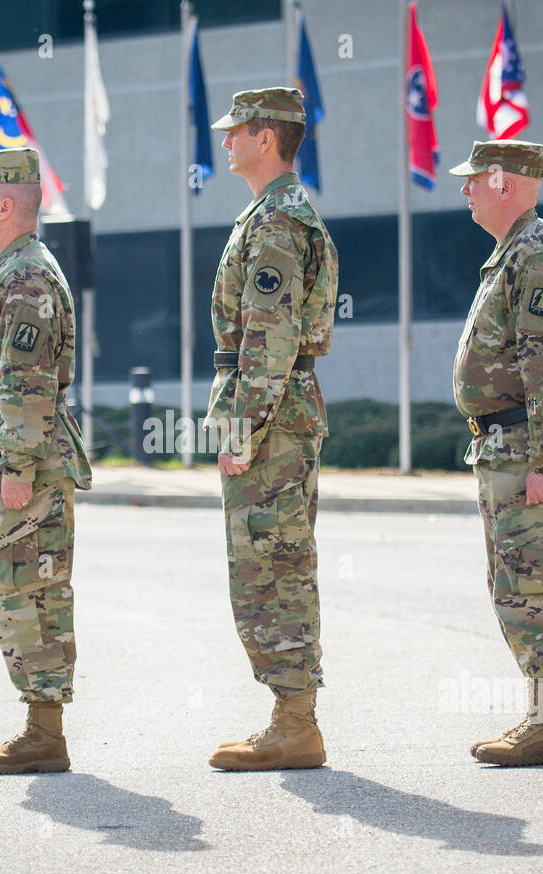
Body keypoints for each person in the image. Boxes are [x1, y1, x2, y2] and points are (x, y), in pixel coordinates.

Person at [203, 88, 338, 771]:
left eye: (236, 131)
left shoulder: (280, 221)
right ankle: (291, 715)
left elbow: (270, 332)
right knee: (268, 560)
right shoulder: (269, 212)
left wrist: (241, 425)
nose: (225, 141)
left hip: (273, 415)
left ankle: (294, 722)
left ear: (266, 137)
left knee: (275, 563)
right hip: (276, 411)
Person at [0, 148, 91, 774]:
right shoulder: (10, 270)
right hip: (3, 456)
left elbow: (26, 383)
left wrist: (17, 469)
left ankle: (43, 732)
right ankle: (42, 727)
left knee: (26, 590)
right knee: (20, 587)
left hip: (16, 464)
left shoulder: (25, 277)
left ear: (5, 204)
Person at [449, 140, 543, 767]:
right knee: (521, 585)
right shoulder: (516, 252)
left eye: (474, 180)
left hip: (525, 447)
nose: (466, 190)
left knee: (535, 588)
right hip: (506, 443)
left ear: (503, 182)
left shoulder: (532, 253)